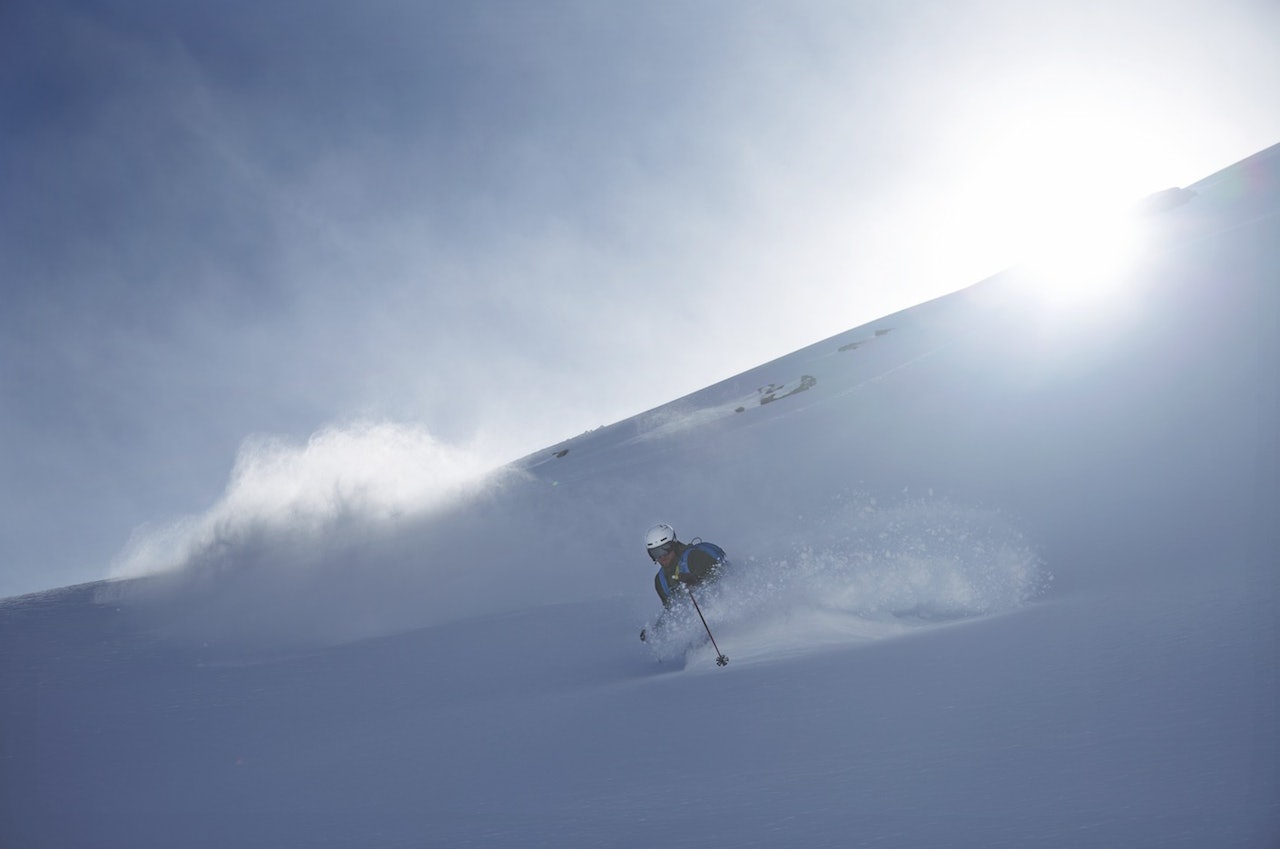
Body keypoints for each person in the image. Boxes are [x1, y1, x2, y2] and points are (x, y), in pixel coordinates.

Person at [640, 523, 728, 641]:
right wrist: (655, 631)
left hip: (723, 620)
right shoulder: (661, 581)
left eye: (665, 549)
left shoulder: (695, 557)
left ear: (673, 544)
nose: (662, 556)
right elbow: (672, 611)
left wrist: (697, 581)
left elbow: (724, 577)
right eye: (656, 553)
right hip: (700, 631)